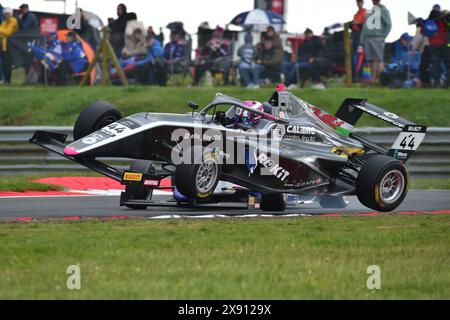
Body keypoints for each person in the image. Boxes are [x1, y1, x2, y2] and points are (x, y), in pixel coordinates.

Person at [360, 0, 392, 83]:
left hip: (377, 38)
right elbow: (365, 26)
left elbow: (388, 24)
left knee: (378, 59)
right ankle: (373, 80)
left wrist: (382, 37)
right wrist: (362, 41)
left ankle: (380, 80)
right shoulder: (369, 12)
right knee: (372, 60)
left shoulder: (383, 10)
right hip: (368, 39)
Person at [426, 5, 447, 87]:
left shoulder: (429, 20)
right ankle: (446, 82)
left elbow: (425, 32)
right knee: (446, 65)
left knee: (435, 65)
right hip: (443, 45)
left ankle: (436, 83)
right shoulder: (444, 19)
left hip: (433, 46)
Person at [0, 7, 18, 84]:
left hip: (10, 45)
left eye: (7, 14)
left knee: (8, 63)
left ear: (10, 14)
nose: (6, 15)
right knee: (4, 63)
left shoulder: (13, 21)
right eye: (5, 14)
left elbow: (8, 32)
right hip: (3, 45)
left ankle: (8, 80)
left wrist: (2, 32)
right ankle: (6, 80)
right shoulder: (4, 22)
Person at [350, 0, 367, 81]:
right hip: (355, 37)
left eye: (360, 2)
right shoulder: (356, 14)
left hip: (361, 38)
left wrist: (358, 23)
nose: (358, 3)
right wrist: (351, 24)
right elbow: (353, 27)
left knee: (359, 58)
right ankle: (354, 77)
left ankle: (359, 77)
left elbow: (366, 26)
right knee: (354, 57)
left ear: (362, 3)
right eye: (357, 2)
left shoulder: (365, 13)